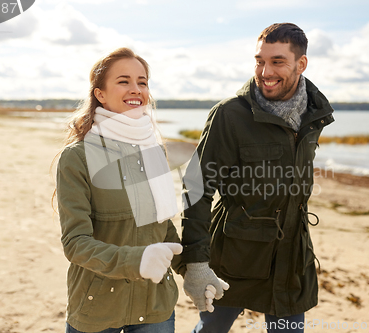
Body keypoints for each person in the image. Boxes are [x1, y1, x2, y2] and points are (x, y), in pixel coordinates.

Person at [180, 23, 335, 332]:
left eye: (277, 61)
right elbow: (196, 187)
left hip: (292, 258)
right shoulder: (229, 114)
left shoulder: (314, 114)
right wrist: (195, 262)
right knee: (211, 330)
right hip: (235, 255)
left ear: (300, 64)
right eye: (259, 61)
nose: (265, 71)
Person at [54, 47, 184, 333]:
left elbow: (163, 228)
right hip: (98, 307)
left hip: (156, 306)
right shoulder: (78, 157)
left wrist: (194, 270)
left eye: (143, 82)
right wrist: (136, 261)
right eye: (124, 81)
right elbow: (75, 243)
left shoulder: (154, 150)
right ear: (100, 94)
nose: (136, 89)